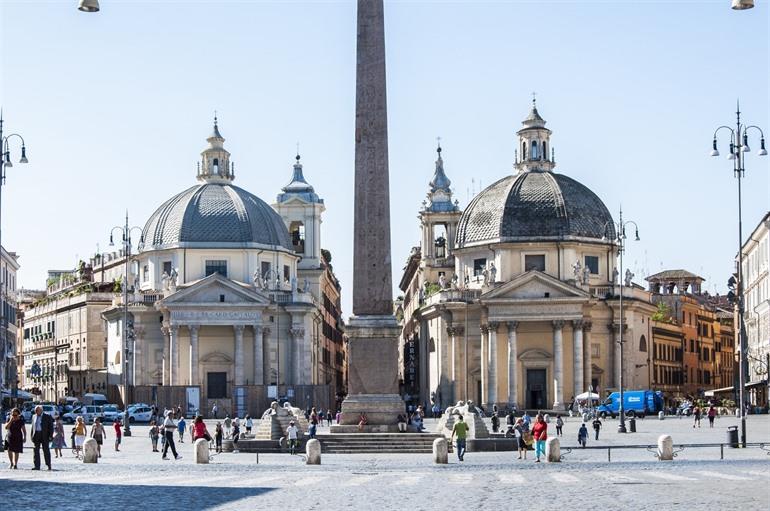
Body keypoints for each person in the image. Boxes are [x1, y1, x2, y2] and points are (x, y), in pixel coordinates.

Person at [30, 405, 54, 470]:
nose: (36, 412)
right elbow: (32, 427)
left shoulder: (47, 416)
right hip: (36, 435)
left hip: (44, 435)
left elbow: (51, 427)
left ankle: (48, 465)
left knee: (46, 450)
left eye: (37, 410)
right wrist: (32, 435)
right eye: (35, 411)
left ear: (41, 410)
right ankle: (37, 466)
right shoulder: (34, 416)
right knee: (36, 451)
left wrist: (51, 436)